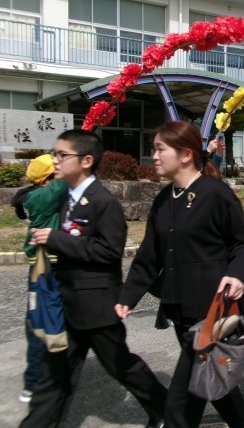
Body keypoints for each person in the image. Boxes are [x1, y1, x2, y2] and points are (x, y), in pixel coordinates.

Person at [115, 121, 244, 428]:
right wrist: (126, 298)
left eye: (160, 149)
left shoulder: (215, 193)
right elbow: (149, 256)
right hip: (180, 308)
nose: (154, 156)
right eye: (153, 149)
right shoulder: (164, 199)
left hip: (214, 311)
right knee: (211, 377)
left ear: (185, 154)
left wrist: (237, 275)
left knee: (182, 400)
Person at [21, 130, 167, 428]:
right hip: (67, 305)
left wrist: (56, 239)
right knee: (54, 377)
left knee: (121, 366)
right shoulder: (65, 196)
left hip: (97, 307)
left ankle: (165, 410)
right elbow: (26, 201)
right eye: (55, 153)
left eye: (62, 155)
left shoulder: (103, 202)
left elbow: (110, 251)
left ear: (86, 161)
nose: (55, 160)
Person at [11, 154, 67, 404]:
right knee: (42, 323)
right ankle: (35, 382)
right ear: (45, 181)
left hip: (41, 267)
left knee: (39, 320)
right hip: (47, 269)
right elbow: (68, 179)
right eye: (56, 172)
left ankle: (38, 379)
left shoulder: (34, 195)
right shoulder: (44, 197)